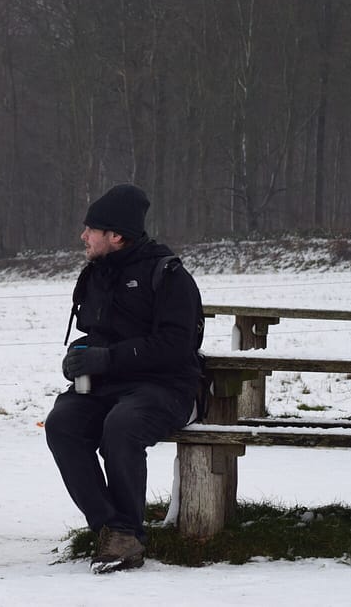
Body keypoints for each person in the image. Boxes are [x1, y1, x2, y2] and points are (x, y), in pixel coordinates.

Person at [45, 183, 205, 574]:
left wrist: (108, 358)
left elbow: (177, 344)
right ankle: (111, 530)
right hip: (107, 385)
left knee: (122, 426)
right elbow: (96, 334)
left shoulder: (167, 275)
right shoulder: (96, 275)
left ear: (115, 235)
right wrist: (78, 356)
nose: (83, 236)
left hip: (166, 386)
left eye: (91, 229)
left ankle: (126, 531)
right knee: (61, 424)